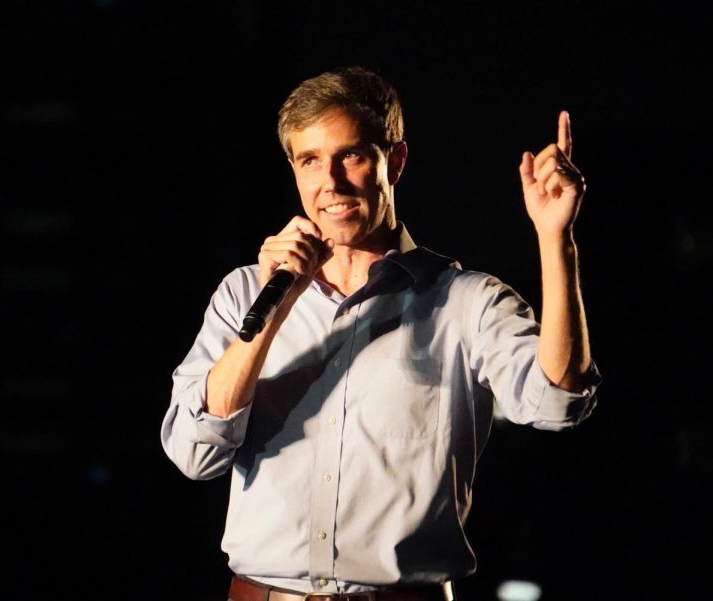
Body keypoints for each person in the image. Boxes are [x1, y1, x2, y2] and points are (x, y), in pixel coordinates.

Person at [160, 65, 600, 601]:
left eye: (353, 155)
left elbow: (557, 403)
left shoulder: (465, 302)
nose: (332, 183)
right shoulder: (243, 294)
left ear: (396, 161)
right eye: (310, 161)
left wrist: (558, 240)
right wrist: (276, 305)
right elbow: (193, 453)